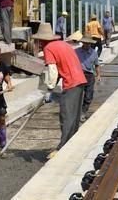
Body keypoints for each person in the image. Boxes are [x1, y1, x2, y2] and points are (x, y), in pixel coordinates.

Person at [33, 23, 86, 159]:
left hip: (71, 83)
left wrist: (50, 89)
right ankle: (71, 145)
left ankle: (63, 148)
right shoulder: (62, 44)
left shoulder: (48, 48)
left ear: (41, 40)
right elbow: (61, 68)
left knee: (66, 116)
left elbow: (53, 70)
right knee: (74, 116)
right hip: (80, 80)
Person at [76, 34, 101, 122]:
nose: (87, 45)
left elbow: (97, 65)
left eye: (89, 43)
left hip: (89, 75)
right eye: (85, 43)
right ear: (82, 42)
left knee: (88, 95)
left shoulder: (93, 52)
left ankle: (83, 112)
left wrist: (98, 75)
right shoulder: (76, 52)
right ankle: (76, 112)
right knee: (77, 94)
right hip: (79, 74)